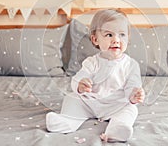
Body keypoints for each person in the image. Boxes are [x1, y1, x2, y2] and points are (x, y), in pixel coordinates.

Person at [46, 8, 145, 142]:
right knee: (72, 98)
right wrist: (81, 85)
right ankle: (67, 121)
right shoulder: (92, 62)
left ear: (128, 38)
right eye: (109, 35)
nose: (116, 40)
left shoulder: (131, 65)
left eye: (122, 35)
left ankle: (118, 128)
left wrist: (134, 95)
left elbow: (133, 85)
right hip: (91, 103)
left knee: (131, 109)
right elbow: (80, 77)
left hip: (116, 105)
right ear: (95, 39)